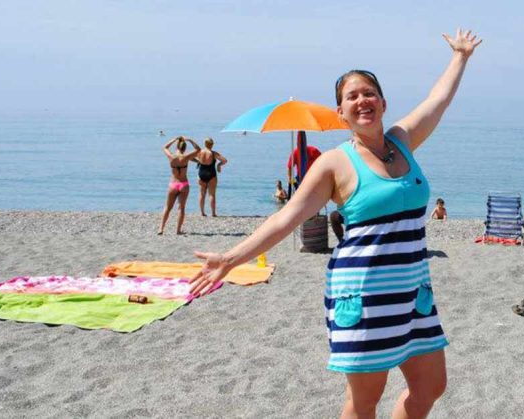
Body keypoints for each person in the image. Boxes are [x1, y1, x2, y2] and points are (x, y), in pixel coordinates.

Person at [189, 28, 482, 418]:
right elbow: (286, 218)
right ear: (341, 112)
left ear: (382, 102)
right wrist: (230, 258)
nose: (363, 100)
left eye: (369, 93)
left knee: (430, 386)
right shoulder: (335, 163)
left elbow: (437, 101)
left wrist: (460, 57)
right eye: (352, 96)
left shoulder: (402, 141)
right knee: (364, 402)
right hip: (363, 295)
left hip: (413, 291)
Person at [159, 136, 200, 235]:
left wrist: (173, 140)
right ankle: (178, 230)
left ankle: (161, 228)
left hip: (173, 184)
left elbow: (164, 147)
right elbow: (198, 149)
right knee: (181, 208)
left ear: (177, 147)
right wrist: (190, 140)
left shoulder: (171, 157)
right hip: (184, 184)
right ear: (184, 148)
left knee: (168, 208)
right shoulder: (186, 157)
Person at [195, 138, 228, 217]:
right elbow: (225, 160)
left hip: (201, 174)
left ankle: (202, 213)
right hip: (211, 174)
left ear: (205, 144)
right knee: (212, 194)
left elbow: (189, 157)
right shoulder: (213, 153)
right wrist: (219, 165)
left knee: (202, 194)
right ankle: (213, 213)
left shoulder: (199, 152)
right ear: (212, 144)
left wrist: (198, 161)